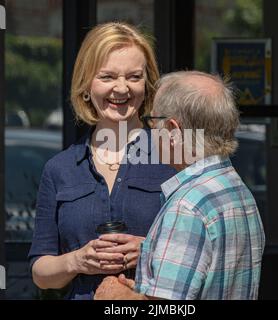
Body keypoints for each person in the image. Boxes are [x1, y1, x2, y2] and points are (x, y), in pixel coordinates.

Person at [28, 22, 176, 300]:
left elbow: (209, 248)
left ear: (147, 83)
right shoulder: (60, 168)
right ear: (86, 84)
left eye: (134, 77)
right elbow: (41, 272)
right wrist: (76, 261)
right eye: (107, 77)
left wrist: (150, 249)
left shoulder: (175, 157)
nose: (122, 89)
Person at [94, 70, 266, 300]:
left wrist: (117, 297)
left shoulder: (187, 207)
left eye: (152, 122)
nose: (150, 132)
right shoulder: (236, 189)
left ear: (173, 131)